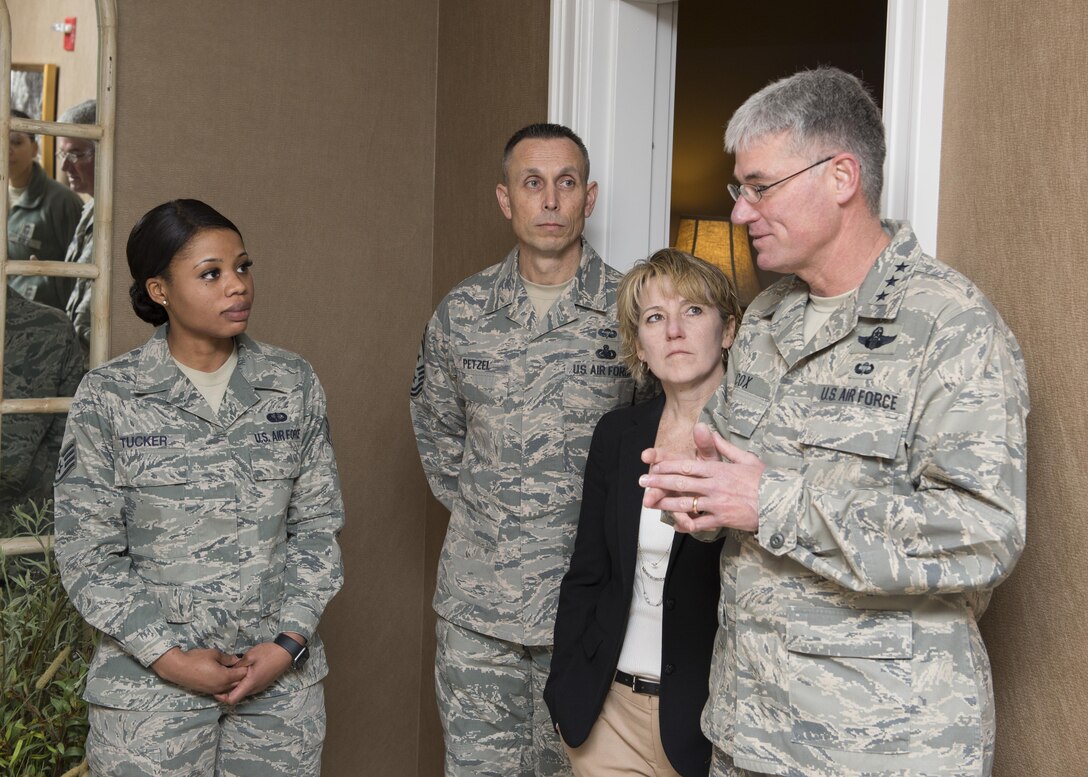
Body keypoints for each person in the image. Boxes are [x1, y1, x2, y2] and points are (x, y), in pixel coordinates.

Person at [641, 67, 1029, 777]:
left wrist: (773, 502)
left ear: (842, 176)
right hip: (747, 731)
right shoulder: (763, 319)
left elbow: (984, 531)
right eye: (740, 191)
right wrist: (702, 497)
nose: (740, 212)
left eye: (760, 188)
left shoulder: (949, 325)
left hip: (878, 745)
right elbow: (737, 485)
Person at [54, 199, 344, 776]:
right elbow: (87, 554)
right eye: (211, 274)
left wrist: (287, 645)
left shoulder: (292, 384)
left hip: (278, 695)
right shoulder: (110, 397)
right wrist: (169, 659)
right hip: (148, 698)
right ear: (159, 291)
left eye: (243, 266)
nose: (237, 286)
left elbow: (317, 529)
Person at [411, 123, 640, 776]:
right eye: (532, 183)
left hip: (590, 615)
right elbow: (438, 436)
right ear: (505, 199)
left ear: (588, 198)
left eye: (565, 184)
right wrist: (499, 516)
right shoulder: (462, 314)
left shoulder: (632, 311)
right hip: (479, 615)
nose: (549, 201)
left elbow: (651, 441)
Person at [545, 249, 739, 777]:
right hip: (608, 717)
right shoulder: (617, 434)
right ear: (639, 346)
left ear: (728, 330)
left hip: (710, 724)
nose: (674, 330)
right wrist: (565, 689)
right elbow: (588, 572)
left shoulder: (755, 440)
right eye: (655, 318)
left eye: (693, 311)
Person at [0, 287, 84, 535]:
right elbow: (67, 446)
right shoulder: (52, 327)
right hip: (31, 531)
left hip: (29, 533)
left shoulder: (52, 328)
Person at [7, 108, 83, 309]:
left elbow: (81, 279)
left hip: (44, 328)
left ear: (34, 148)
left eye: (16, 141)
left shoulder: (63, 203)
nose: (7, 149)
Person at [56, 99, 98, 358]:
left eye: (76, 154)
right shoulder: (91, 209)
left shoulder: (120, 215)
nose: (64, 167)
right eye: (63, 154)